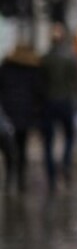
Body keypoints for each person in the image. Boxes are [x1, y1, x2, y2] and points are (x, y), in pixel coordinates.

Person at [39, 25, 77, 190]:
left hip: (49, 103)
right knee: (68, 137)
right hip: (65, 101)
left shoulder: (45, 59)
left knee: (48, 141)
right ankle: (65, 163)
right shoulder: (70, 58)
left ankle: (52, 173)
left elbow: (40, 83)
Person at [0, 42, 45, 193]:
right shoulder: (32, 69)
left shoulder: (6, 67)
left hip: (8, 113)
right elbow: (38, 92)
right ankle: (20, 180)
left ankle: (10, 177)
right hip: (25, 113)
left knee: (8, 147)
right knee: (22, 146)